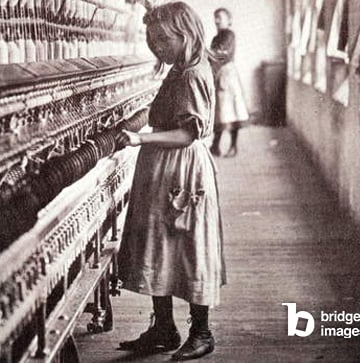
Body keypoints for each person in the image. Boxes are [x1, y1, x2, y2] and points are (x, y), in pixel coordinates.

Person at [116, 2, 226, 361]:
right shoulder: (181, 68)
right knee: (158, 244)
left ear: (187, 33)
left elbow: (186, 135)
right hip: (163, 169)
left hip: (181, 169)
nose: (157, 46)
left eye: (164, 39)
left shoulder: (192, 73)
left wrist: (139, 139)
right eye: (152, 39)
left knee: (190, 247)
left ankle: (202, 332)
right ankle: (163, 328)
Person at [210, 28, 249, 157]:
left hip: (228, 76)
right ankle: (215, 145)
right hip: (219, 75)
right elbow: (214, 56)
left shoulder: (228, 35)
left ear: (228, 20)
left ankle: (233, 146)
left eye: (220, 18)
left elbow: (222, 55)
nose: (217, 21)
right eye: (216, 17)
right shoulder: (216, 38)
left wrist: (208, 53)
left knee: (233, 113)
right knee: (220, 113)